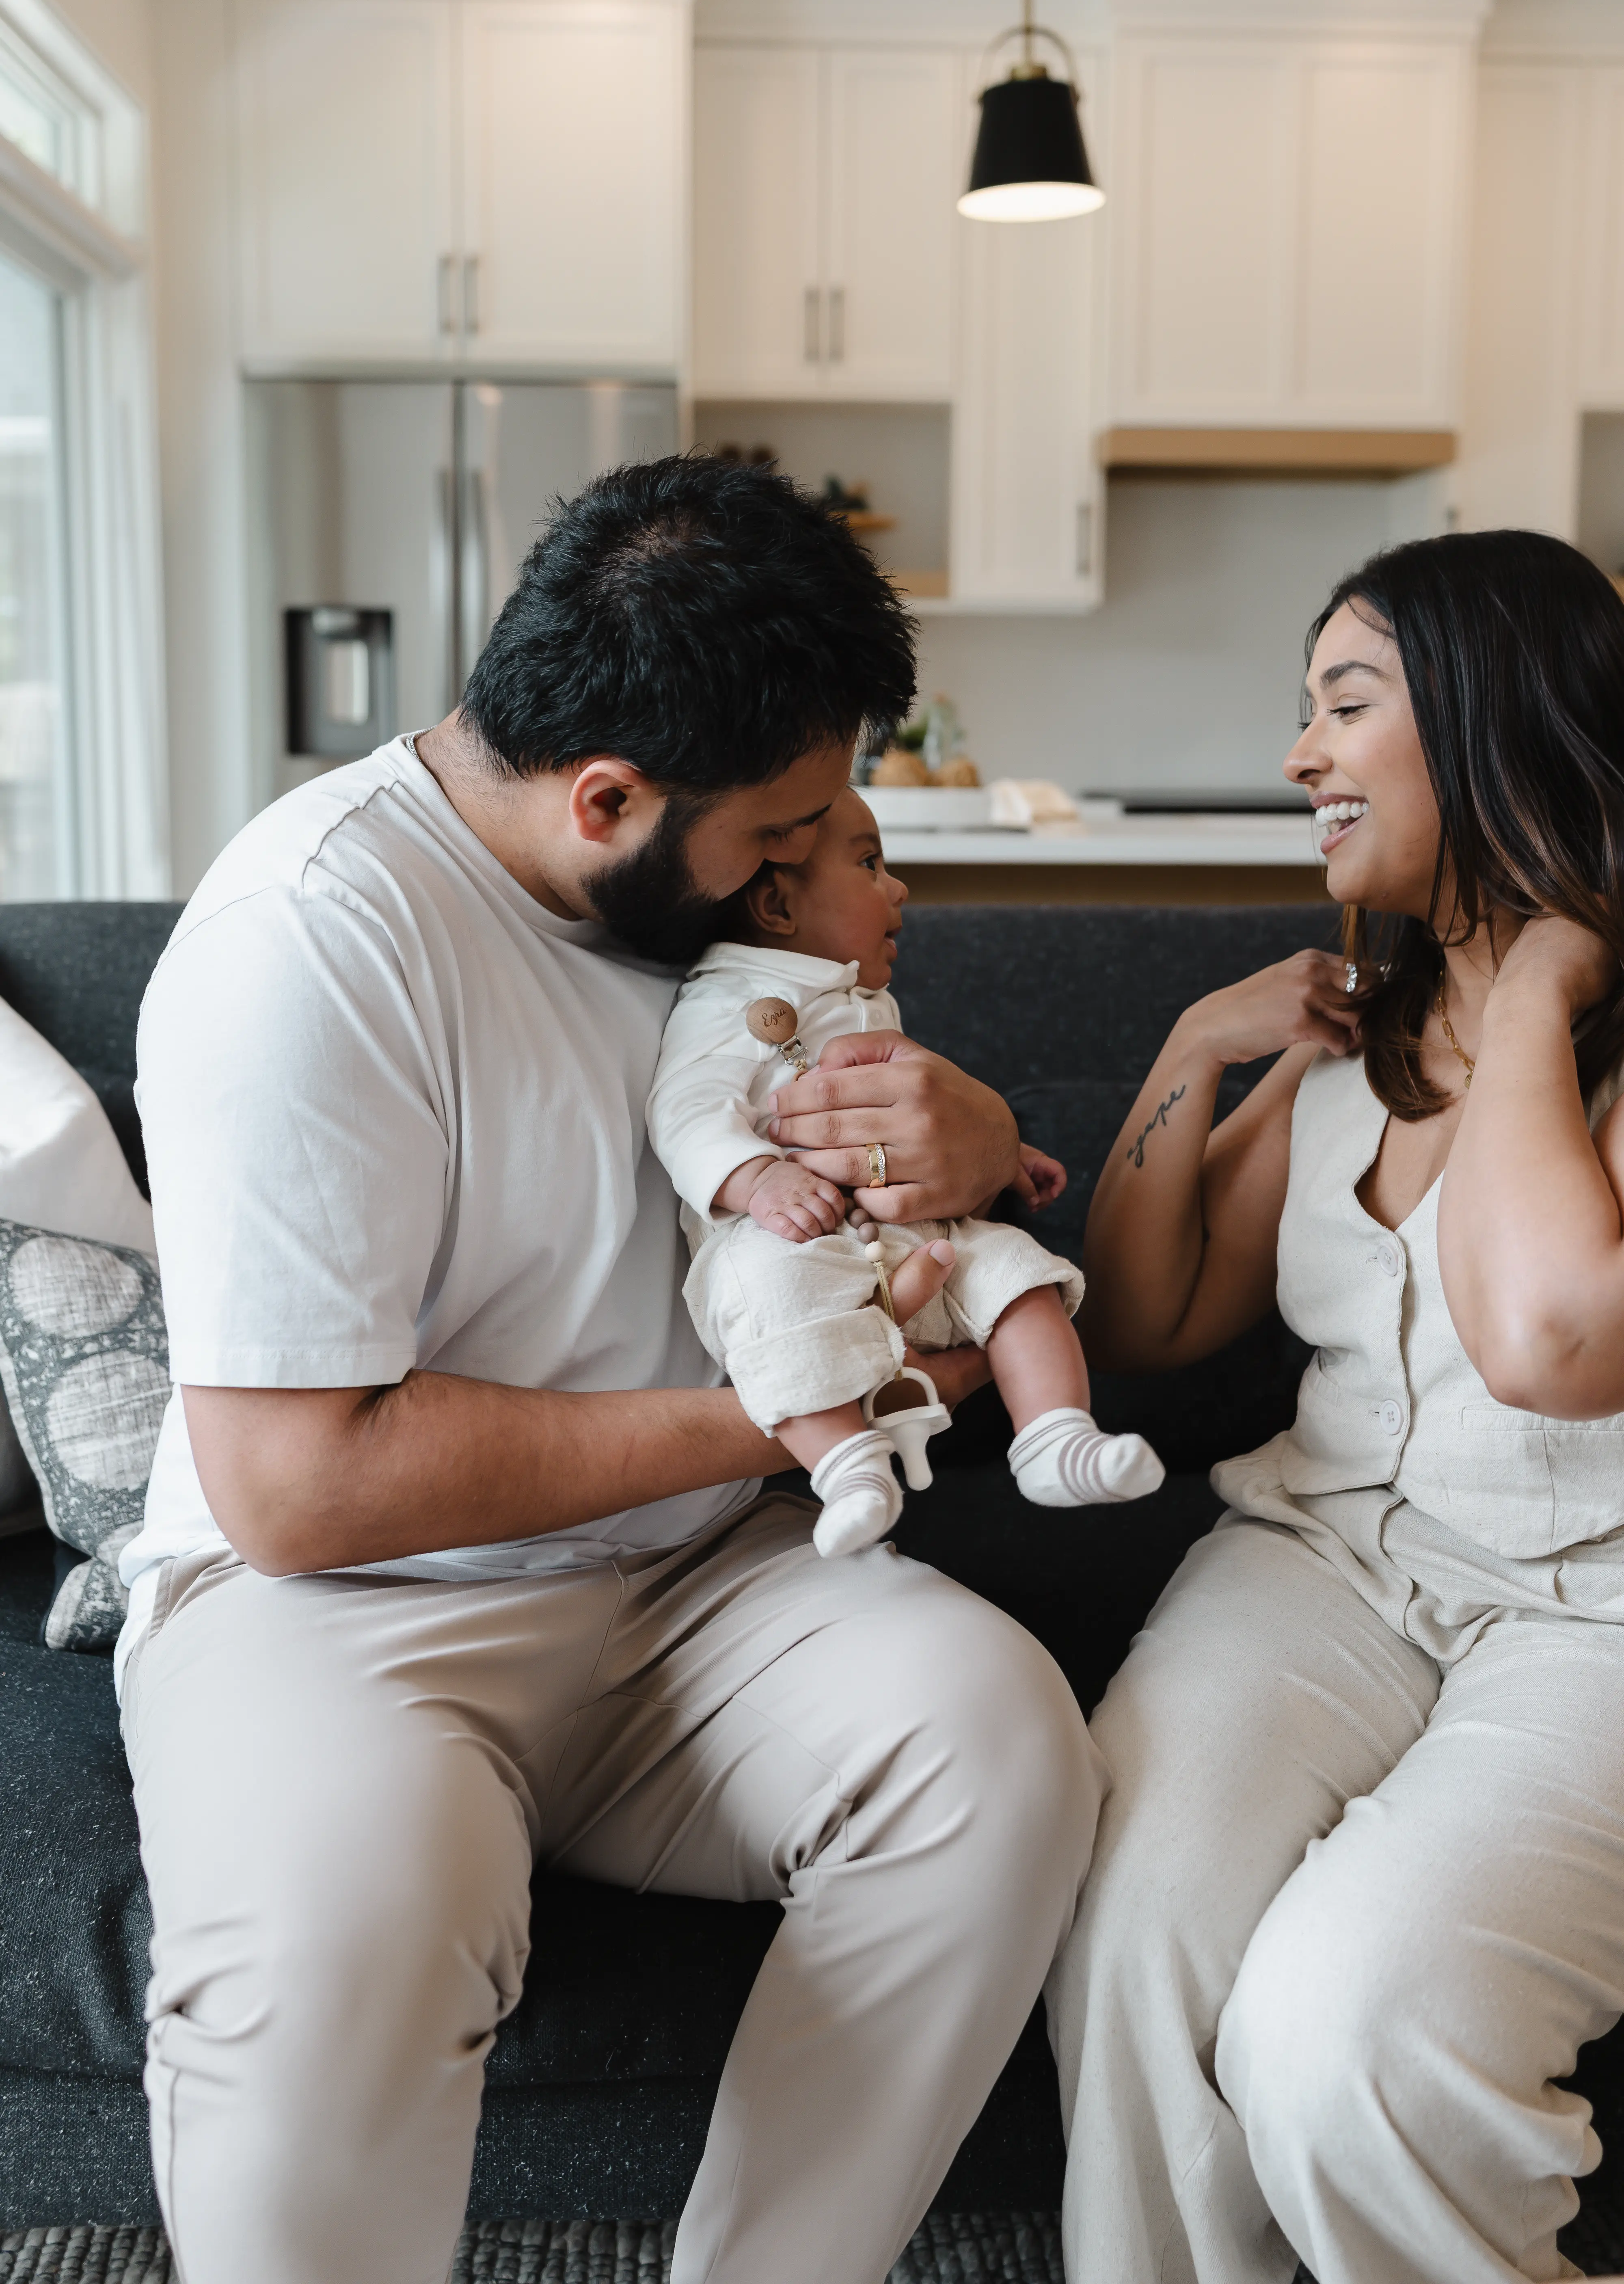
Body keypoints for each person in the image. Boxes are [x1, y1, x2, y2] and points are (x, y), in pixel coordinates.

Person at [117, 458, 1104, 2284]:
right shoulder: (310, 943)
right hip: (345, 1606)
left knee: (996, 1746)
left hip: (694, 1588)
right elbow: (302, 1489)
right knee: (340, 1934)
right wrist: (798, 1418)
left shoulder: (693, 906)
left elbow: (851, 1112)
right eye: (784, 831)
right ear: (606, 797)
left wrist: (971, 1129)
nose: (817, 867)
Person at [1049, 528, 1624, 2284]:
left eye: (1345, 704)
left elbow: (1550, 1343)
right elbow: (1146, 1321)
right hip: (1325, 1567)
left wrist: (1537, 974)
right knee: (1130, 1929)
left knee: (1349, 2039)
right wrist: (1196, 1051)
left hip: (1593, 1614)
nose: (1300, 755)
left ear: (1488, 716)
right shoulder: (1346, 1038)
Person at [646, 782, 1165, 1556]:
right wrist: (758, 1179)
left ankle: (1056, 1437)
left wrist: (1002, 1152)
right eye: (871, 863)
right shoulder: (730, 1001)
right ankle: (848, 1469)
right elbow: (683, 1112)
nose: (899, 887)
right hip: (796, 1237)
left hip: (922, 1235)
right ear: (779, 909)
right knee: (766, 1299)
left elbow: (915, 1109)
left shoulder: (855, 997)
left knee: (1023, 1279)